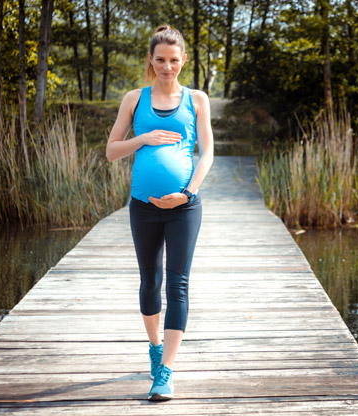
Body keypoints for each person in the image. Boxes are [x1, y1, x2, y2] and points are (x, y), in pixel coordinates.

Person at [105, 24, 214, 401]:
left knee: (178, 283)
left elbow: (208, 153)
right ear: (151, 61)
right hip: (143, 208)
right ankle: (154, 349)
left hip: (185, 207)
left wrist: (187, 193)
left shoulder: (197, 99)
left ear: (183, 60)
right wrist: (144, 138)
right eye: (160, 60)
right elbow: (111, 150)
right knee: (150, 281)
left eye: (174, 60)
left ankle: (166, 370)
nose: (167, 67)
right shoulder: (135, 99)